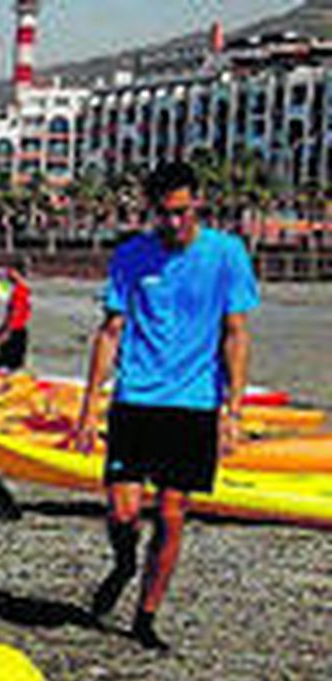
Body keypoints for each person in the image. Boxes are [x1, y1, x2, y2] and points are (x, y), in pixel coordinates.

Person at [70, 161, 257, 652]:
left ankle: (145, 618)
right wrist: (88, 408)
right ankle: (125, 561)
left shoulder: (227, 254)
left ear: (197, 201)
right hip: (135, 400)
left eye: (181, 212)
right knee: (123, 511)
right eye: (164, 214)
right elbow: (110, 332)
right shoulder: (132, 256)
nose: (173, 223)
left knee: (172, 515)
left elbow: (236, 334)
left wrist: (232, 414)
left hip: (194, 404)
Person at [0, 261, 33, 371]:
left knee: (8, 365)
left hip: (15, 331)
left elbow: (16, 313)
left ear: (17, 272)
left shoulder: (20, 291)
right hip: (17, 330)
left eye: (10, 271)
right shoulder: (23, 290)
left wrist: (7, 331)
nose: (6, 273)